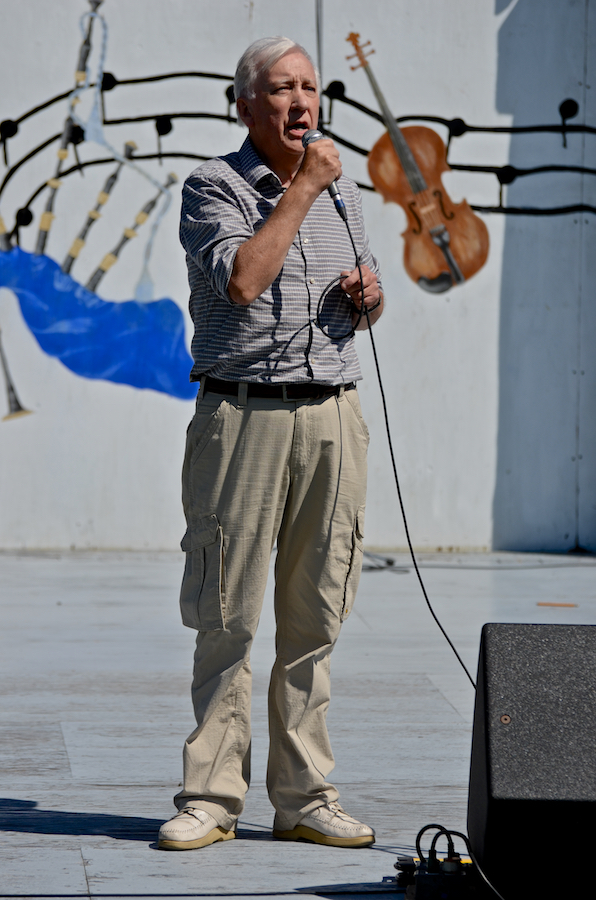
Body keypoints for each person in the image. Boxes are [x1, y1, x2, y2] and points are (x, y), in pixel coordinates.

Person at [158, 36, 384, 852]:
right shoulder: (213, 186)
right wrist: (302, 188)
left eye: (310, 88)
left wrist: (368, 295)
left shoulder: (342, 189)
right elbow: (244, 281)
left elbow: (368, 300)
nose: (301, 103)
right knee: (227, 614)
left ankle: (304, 797)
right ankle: (211, 798)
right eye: (283, 89)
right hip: (244, 415)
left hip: (333, 416)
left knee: (316, 614)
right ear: (245, 105)